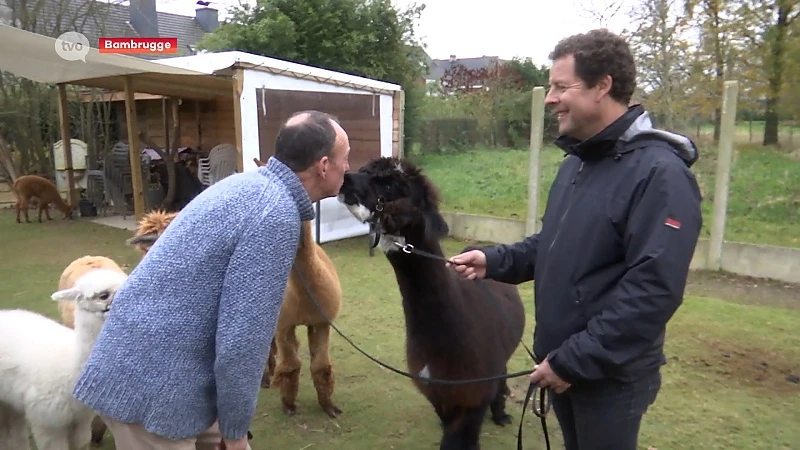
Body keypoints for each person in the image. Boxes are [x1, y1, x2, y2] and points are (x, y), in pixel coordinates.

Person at [448, 29, 702, 450]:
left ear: (603, 85)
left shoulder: (661, 175)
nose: (550, 98)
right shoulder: (579, 164)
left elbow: (653, 290)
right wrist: (493, 261)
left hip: (608, 377)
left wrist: (574, 360)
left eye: (561, 87)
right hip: (562, 364)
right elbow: (554, 244)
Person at [72, 110, 351, 450]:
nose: (347, 168)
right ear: (323, 166)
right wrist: (235, 434)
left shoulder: (248, 185)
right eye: (344, 159)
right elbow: (243, 340)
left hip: (159, 374)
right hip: (151, 390)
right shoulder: (273, 215)